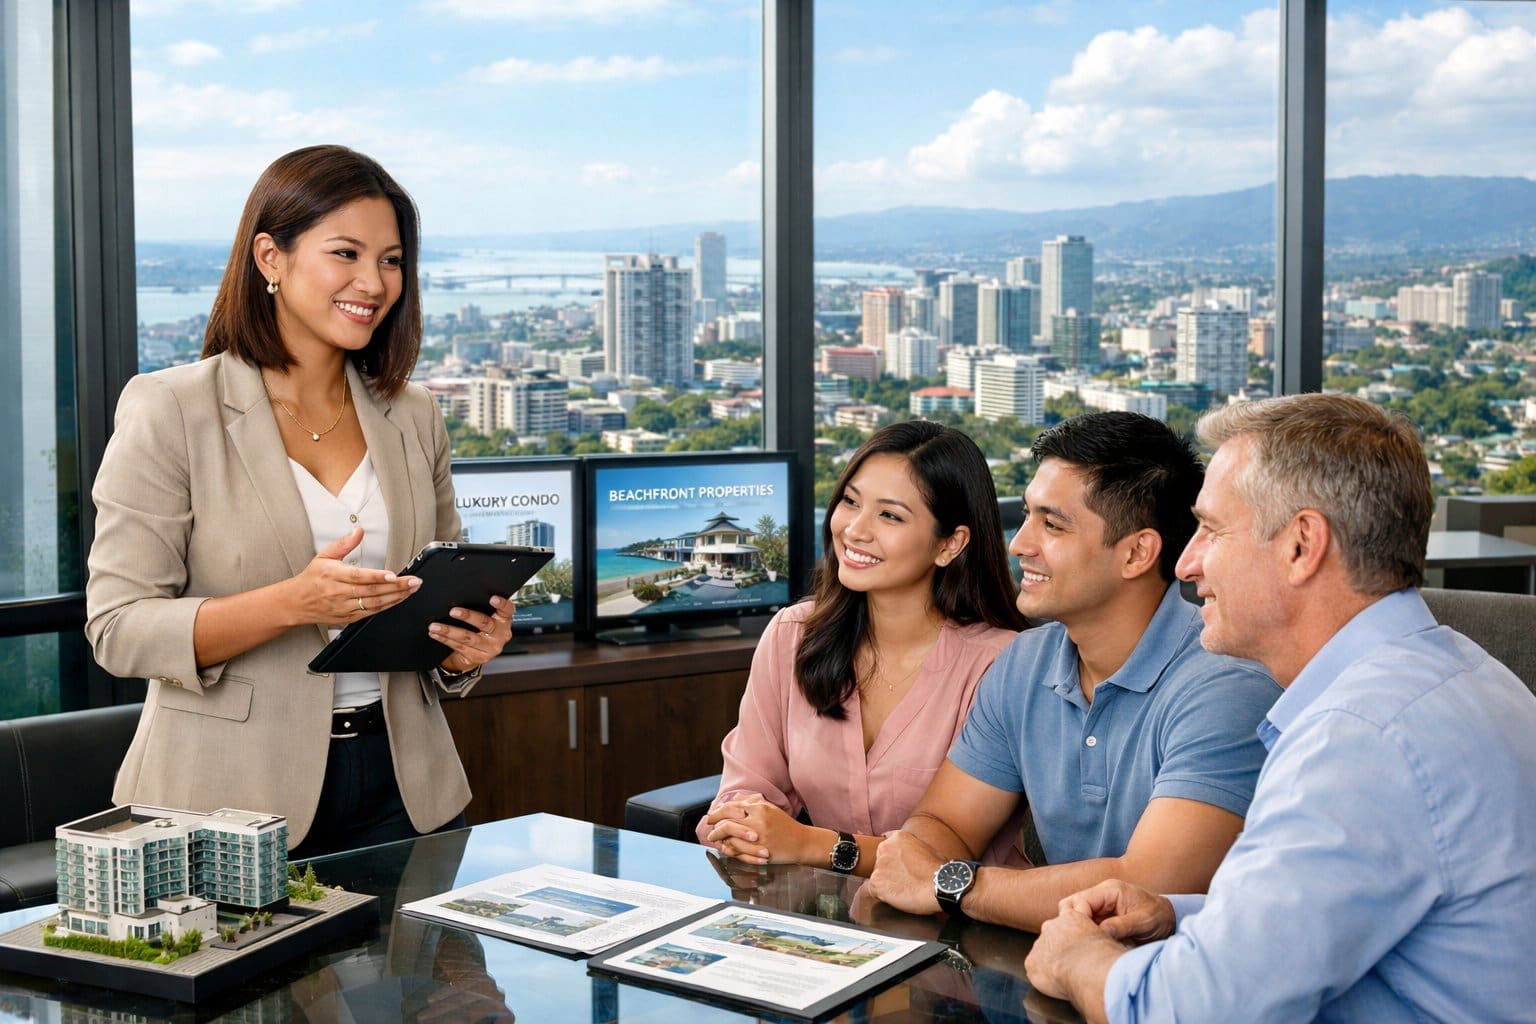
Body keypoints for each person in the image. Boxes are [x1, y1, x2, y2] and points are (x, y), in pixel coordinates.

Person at [1025, 394, 1536, 1024]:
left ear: (1301, 545)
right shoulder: (1459, 674)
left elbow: (1194, 1012)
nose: (1187, 564)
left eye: (1210, 529)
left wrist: (1077, 960)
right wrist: (1184, 914)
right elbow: (1346, 915)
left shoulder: (1359, 741)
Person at [86, 145, 506, 856]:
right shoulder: (171, 409)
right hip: (226, 800)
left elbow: (434, 597)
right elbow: (119, 628)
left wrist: (465, 651)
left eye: (392, 260)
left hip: (407, 789)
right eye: (345, 253)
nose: (373, 282)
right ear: (270, 258)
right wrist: (293, 603)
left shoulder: (413, 413)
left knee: (430, 973)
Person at [865, 412, 1280, 931]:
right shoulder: (1024, 662)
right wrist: (924, 866)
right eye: (1027, 517)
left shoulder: (1226, 685)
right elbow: (945, 823)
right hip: (1060, 971)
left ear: (1136, 553)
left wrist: (951, 885)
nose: (1019, 544)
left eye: (1052, 524)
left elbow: (1146, 885)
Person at [698, 420, 1029, 875]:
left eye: (889, 515)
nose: (854, 530)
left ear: (950, 544)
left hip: (969, 927)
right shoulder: (793, 634)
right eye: (850, 501)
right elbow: (745, 789)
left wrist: (811, 844)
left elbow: (945, 855)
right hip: (825, 917)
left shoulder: (1003, 665)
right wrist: (742, 824)